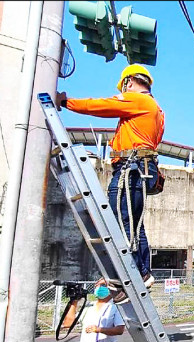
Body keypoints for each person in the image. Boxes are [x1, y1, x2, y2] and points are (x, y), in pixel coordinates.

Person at [56, 64, 166, 304]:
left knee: (122, 222)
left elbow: (101, 105)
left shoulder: (137, 100)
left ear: (128, 82)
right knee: (134, 224)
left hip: (129, 169)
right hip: (139, 170)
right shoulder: (157, 110)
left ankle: (133, 274)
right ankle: (143, 272)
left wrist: (66, 102)